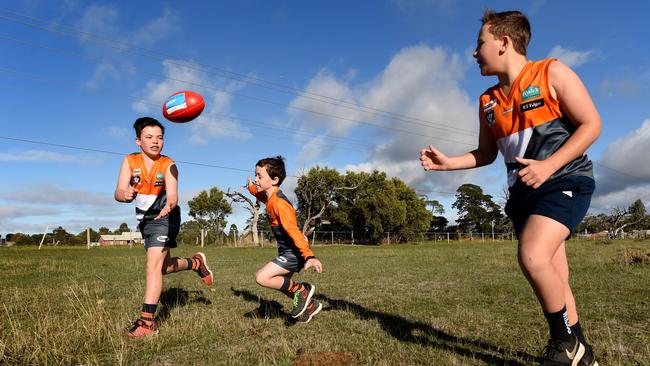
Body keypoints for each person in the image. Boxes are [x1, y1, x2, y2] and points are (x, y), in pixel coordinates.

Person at [420, 9, 600, 366]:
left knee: (532, 256)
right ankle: (582, 351)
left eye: (480, 44)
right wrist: (447, 163)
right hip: (523, 195)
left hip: (565, 179)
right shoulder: (486, 102)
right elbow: (486, 153)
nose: (474, 53)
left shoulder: (552, 72)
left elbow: (591, 124)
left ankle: (564, 344)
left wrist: (549, 165)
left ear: (503, 43)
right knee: (555, 276)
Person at [115, 117, 214, 338]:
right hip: (145, 220)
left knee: (152, 267)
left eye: (160, 137)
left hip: (166, 217)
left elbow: (173, 196)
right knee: (162, 268)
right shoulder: (130, 161)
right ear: (138, 141)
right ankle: (195, 262)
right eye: (149, 137)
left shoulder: (169, 164)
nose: (155, 141)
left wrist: (169, 206)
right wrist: (125, 195)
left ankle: (147, 322)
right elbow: (118, 192)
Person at [247, 156, 323, 323]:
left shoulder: (280, 203)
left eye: (260, 176)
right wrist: (250, 187)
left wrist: (309, 256)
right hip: (287, 251)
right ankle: (310, 305)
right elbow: (258, 193)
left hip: (293, 253)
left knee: (262, 277)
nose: (257, 180)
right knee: (282, 283)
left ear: (274, 180)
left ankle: (303, 290)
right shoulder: (269, 197)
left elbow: (293, 231)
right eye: (256, 175)